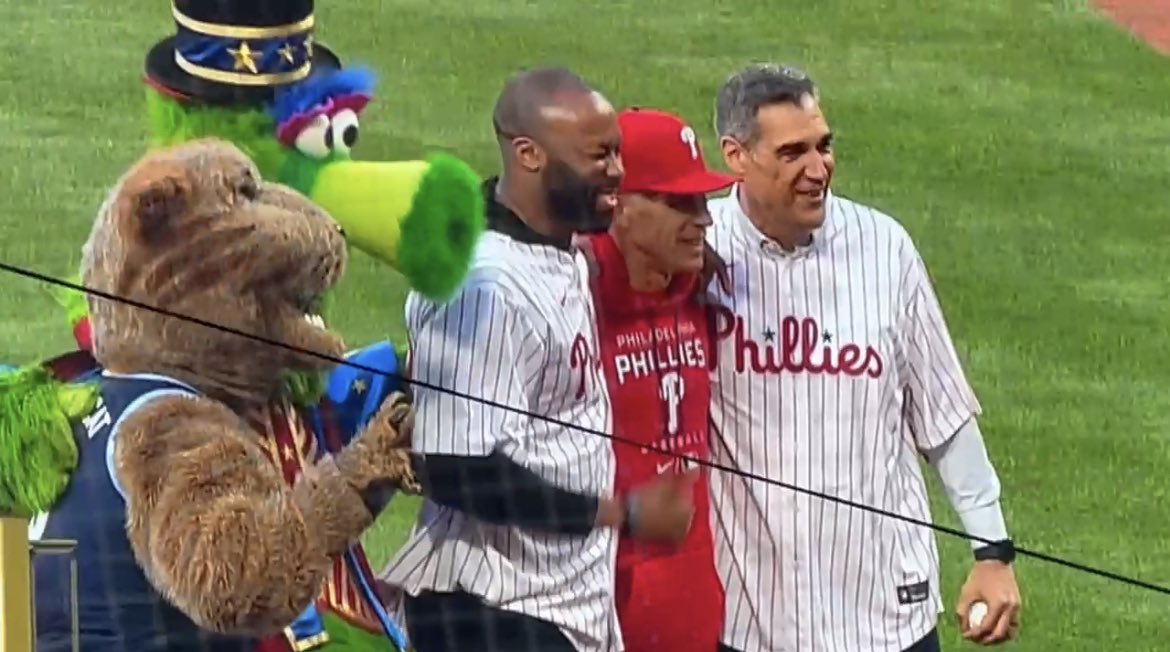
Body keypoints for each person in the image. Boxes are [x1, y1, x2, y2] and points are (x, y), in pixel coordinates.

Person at [702, 63, 1023, 652]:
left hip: (883, 613)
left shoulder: (883, 247)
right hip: (748, 617)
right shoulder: (696, 254)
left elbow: (943, 412)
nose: (817, 169)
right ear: (736, 156)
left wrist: (992, 550)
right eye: (792, 152)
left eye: (824, 146)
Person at [377, 68, 696, 652]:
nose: (618, 174)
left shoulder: (556, 242)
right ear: (528, 155)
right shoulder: (484, 285)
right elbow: (455, 466)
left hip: (550, 604)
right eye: (598, 156)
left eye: (618, 154)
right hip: (491, 612)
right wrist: (619, 513)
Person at [577, 107, 734, 652]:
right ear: (618, 205)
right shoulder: (570, 297)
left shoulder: (701, 291)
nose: (703, 220)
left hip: (689, 602)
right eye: (677, 203)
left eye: (703, 201)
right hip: (592, 598)